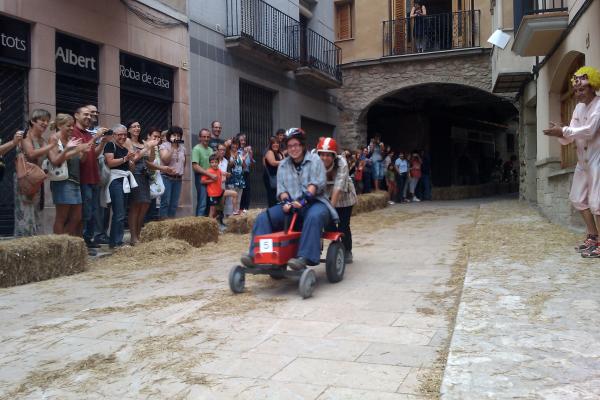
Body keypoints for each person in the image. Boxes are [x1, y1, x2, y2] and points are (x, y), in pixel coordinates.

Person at [241, 128, 338, 271]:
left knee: (314, 216)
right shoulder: (283, 165)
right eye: (290, 146)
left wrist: (303, 201)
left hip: (314, 203)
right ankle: (256, 254)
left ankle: (303, 257)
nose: (293, 149)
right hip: (292, 205)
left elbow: (315, 185)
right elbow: (282, 191)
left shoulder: (315, 160)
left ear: (303, 145)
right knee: (264, 217)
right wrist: (286, 202)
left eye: (296, 145)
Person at [543, 66, 600, 257]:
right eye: (576, 90)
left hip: (597, 159)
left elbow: (589, 131)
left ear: (592, 86)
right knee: (577, 198)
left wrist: (565, 130)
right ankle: (593, 236)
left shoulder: (599, 105)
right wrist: (559, 132)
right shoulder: (578, 107)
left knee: (597, 202)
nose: (578, 94)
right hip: (582, 161)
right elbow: (571, 135)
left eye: (582, 89)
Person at [72, 106, 111, 249]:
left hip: (94, 176)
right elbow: (80, 154)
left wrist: (103, 142)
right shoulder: (74, 132)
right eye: (85, 114)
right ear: (76, 115)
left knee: (94, 211)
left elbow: (93, 155)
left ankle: (88, 239)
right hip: (83, 178)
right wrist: (96, 137)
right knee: (85, 212)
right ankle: (82, 240)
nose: (89, 117)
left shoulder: (88, 134)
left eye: (90, 115)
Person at [47, 114, 91, 235]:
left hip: (75, 181)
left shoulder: (71, 139)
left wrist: (85, 151)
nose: (72, 128)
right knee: (62, 217)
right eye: (68, 126)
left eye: (72, 126)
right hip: (63, 181)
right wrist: (70, 149)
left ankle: (67, 243)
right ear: (60, 125)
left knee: (77, 217)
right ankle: (59, 246)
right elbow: (55, 160)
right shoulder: (54, 138)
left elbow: (81, 160)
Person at [14, 109, 55, 237]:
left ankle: (33, 241)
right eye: (42, 120)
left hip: (37, 181)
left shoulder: (43, 140)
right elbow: (31, 153)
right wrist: (51, 145)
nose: (45, 123)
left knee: (36, 213)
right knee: (25, 214)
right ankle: (22, 245)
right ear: (33, 121)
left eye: (47, 121)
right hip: (24, 179)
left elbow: (53, 159)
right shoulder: (25, 136)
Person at [317, 137, 357, 263]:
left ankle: (347, 250)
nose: (324, 158)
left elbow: (338, 188)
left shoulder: (342, 163)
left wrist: (329, 210)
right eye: (322, 154)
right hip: (325, 196)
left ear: (334, 156)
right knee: (328, 225)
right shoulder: (314, 159)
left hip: (344, 197)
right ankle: (337, 245)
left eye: (328, 155)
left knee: (343, 225)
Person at [103, 124, 137, 249]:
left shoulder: (124, 148)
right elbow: (110, 163)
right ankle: (115, 242)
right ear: (114, 135)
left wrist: (132, 160)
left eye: (124, 134)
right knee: (119, 212)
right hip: (115, 180)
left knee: (122, 212)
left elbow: (131, 168)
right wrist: (125, 158)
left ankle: (118, 241)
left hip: (125, 179)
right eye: (119, 135)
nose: (122, 137)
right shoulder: (110, 145)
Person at [127, 121, 159, 245]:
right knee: (135, 206)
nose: (137, 128)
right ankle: (133, 237)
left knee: (145, 205)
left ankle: (138, 234)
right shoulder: (128, 141)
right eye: (134, 126)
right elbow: (133, 158)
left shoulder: (143, 143)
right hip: (135, 175)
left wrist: (150, 147)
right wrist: (147, 147)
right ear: (129, 130)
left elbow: (150, 159)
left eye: (139, 126)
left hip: (145, 176)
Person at [159, 126, 186, 219]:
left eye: (178, 135)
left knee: (174, 204)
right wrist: (173, 147)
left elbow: (184, 163)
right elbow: (165, 160)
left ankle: (171, 225)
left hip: (178, 179)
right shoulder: (164, 146)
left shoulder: (182, 148)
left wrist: (180, 172)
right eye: (174, 135)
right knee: (165, 202)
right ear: (169, 136)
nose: (177, 137)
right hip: (166, 178)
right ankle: (163, 225)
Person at [202, 154, 240, 218]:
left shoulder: (218, 170)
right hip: (213, 195)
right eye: (212, 162)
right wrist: (212, 180)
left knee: (235, 194)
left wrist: (227, 174)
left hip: (220, 192)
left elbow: (221, 173)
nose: (214, 164)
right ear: (209, 163)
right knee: (212, 212)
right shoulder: (208, 171)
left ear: (218, 162)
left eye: (215, 162)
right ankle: (209, 225)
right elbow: (202, 181)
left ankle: (235, 211)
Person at [191, 128, 214, 216]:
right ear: (199, 138)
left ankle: (206, 223)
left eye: (208, 137)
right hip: (201, 177)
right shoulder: (196, 149)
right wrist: (209, 174)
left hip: (210, 178)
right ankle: (199, 224)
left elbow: (213, 164)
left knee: (209, 202)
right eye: (204, 136)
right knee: (202, 202)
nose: (206, 138)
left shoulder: (210, 150)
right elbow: (195, 166)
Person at [226, 137, 246, 213]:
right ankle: (229, 216)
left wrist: (243, 161)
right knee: (231, 199)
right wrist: (234, 159)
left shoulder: (240, 153)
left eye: (236, 144)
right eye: (233, 144)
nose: (235, 146)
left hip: (240, 178)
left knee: (238, 198)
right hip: (231, 178)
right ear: (231, 145)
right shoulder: (228, 153)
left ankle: (236, 215)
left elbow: (244, 166)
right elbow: (229, 165)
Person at [263, 136, 284, 207]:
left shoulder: (280, 153)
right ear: (270, 144)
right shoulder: (269, 152)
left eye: (277, 143)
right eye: (273, 143)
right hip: (271, 177)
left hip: (279, 177)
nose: (276, 144)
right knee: (272, 197)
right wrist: (284, 162)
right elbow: (273, 162)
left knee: (278, 196)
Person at [238, 133, 254, 211]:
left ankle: (246, 210)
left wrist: (250, 154)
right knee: (241, 194)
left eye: (244, 140)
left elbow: (251, 164)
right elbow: (240, 164)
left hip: (246, 173)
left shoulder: (247, 150)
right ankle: (239, 210)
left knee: (247, 193)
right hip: (239, 174)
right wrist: (244, 154)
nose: (243, 142)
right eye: (241, 140)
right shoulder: (236, 151)